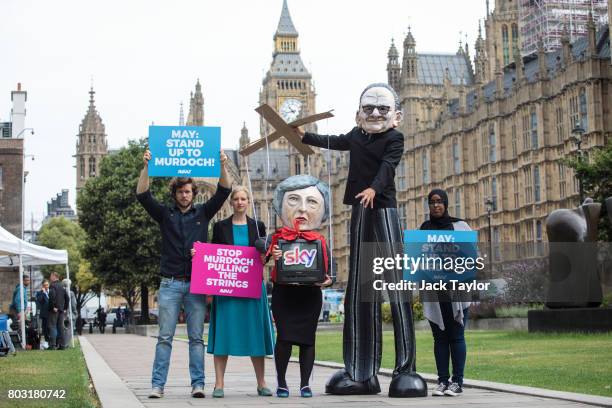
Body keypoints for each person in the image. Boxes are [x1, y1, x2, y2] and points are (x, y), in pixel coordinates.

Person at [296, 83, 426, 397]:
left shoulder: (395, 138)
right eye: (369, 108)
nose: (376, 113)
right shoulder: (356, 136)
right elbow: (333, 141)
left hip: (383, 209)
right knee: (359, 289)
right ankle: (361, 371)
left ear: (396, 116)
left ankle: (405, 369)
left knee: (395, 287)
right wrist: (304, 137)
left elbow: (387, 167)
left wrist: (374, 189)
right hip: (359, 209)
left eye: (383, 109)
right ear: (359, 114)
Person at [137, 147, 232, 399]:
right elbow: (143, 195)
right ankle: (158, 385)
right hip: (169, 284)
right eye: (180, 191)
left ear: (193, 193)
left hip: (196, 284)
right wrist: (146, 165)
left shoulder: (202, 212)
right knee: (165, 337)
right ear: (175, 194)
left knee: (196, 339)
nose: (184, 195)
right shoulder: (165, 215)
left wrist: (222, 164)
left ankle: (198, 384)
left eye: (188, 191)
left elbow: (224, 192)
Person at [202, 186, 274, 398]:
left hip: (252, 288)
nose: (240, 202)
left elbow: (264, 259)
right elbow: (213, 257)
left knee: (255, 335)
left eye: (244, 199)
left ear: (248, 202)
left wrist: (267, 255)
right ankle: (219, 384)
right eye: (237, 199)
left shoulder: (259, 226)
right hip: (227, 289)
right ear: (231, 203)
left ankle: (261, 383)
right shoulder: (220, 227)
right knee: (223, 334)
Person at [267, 175, 333, 398]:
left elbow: (328, 271)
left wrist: (327, 280)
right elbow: (260, 251)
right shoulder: (278, 237)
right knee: (284, 339)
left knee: (308, 340)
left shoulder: (319, 241)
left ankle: (305, 384)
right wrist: (272, 253)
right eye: (294, 200)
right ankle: (282, 382)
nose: (303, 209)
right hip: (284, 294)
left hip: (309, 295)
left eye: (311, 202)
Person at [420, 188, 472, 397]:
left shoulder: (461, 227)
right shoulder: (423, 229)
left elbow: (470, 258)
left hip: (457, 292)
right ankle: (442, 381)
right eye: (432, 202)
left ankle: (457, 382)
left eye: (439, 201)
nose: (436, 205)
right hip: (434, 292)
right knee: (439, 338)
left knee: (457, 336)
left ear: (446, 203)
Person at [48, 272, 69, 350]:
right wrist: (65, 308)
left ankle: (52, 345)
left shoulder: (52, 285)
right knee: (60, 327)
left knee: (52, 326)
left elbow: (52, 296)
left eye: (51, 276)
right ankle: (62, 345)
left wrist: (53, 306)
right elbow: (67, 298)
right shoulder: (62, 286)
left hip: (54, 310)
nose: (50, 278)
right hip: (61, 310)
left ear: (54, 276)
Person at [35, 280, 50, 349]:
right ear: (42, 286)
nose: (46, 286)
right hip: (44, 314)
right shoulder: (39, 293)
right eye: (44, 285)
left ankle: (52, 342)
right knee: (45, 329)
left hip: (52, 313)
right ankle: (47, 342)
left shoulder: (52, 291)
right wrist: (43, 293)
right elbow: (39, 301)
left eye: (47, 285)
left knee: (51, 328)